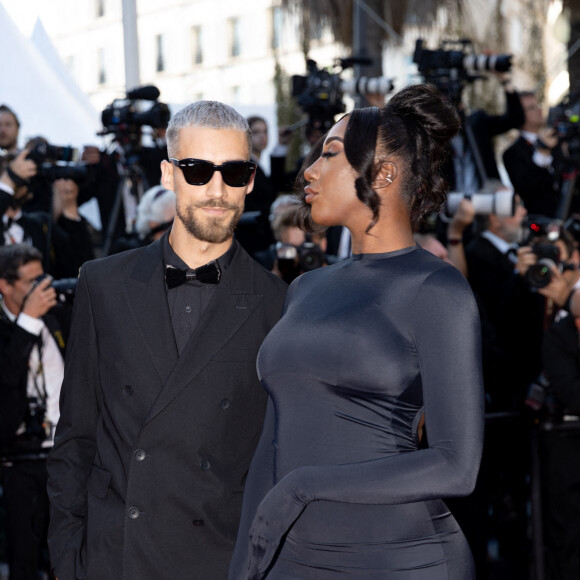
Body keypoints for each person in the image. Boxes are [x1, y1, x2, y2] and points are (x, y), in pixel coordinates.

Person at [229, 83, 484, 579]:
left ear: (383, 173)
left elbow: (457, 466)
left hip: (404, 560)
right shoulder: (304, 288)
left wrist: (304, 486)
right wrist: (246, 566)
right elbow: (271, 443)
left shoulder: (435, 288)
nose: (310, 171)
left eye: (330, 154)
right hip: (294, 561)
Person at [46, 100, 287, 580]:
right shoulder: (104, 284)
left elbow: (279, 460)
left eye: (234, 172)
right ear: (168, 174)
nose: (217, 190)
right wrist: (69, 559)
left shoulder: (278, 303)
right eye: (197, 170)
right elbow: (75, 436)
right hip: (116, 559)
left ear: (252, 180)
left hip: (220, 561)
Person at [0, 244, 70, 580]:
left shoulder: (56, 318)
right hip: (19, 466)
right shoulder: (6, 330)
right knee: (25, 564)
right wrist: (26, 322)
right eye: (31, 282)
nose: (42, 289)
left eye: (43, 278)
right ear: (5, 285)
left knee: (68, 558)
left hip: (66, 458)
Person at [503, 91, 561, 217]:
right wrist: (542, 154)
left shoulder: (558, 141)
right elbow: (529, 191)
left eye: (538, 105)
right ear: (518, 113)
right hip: (543, 221)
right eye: (532, 108)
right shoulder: (512, 154)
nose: (539, 110)